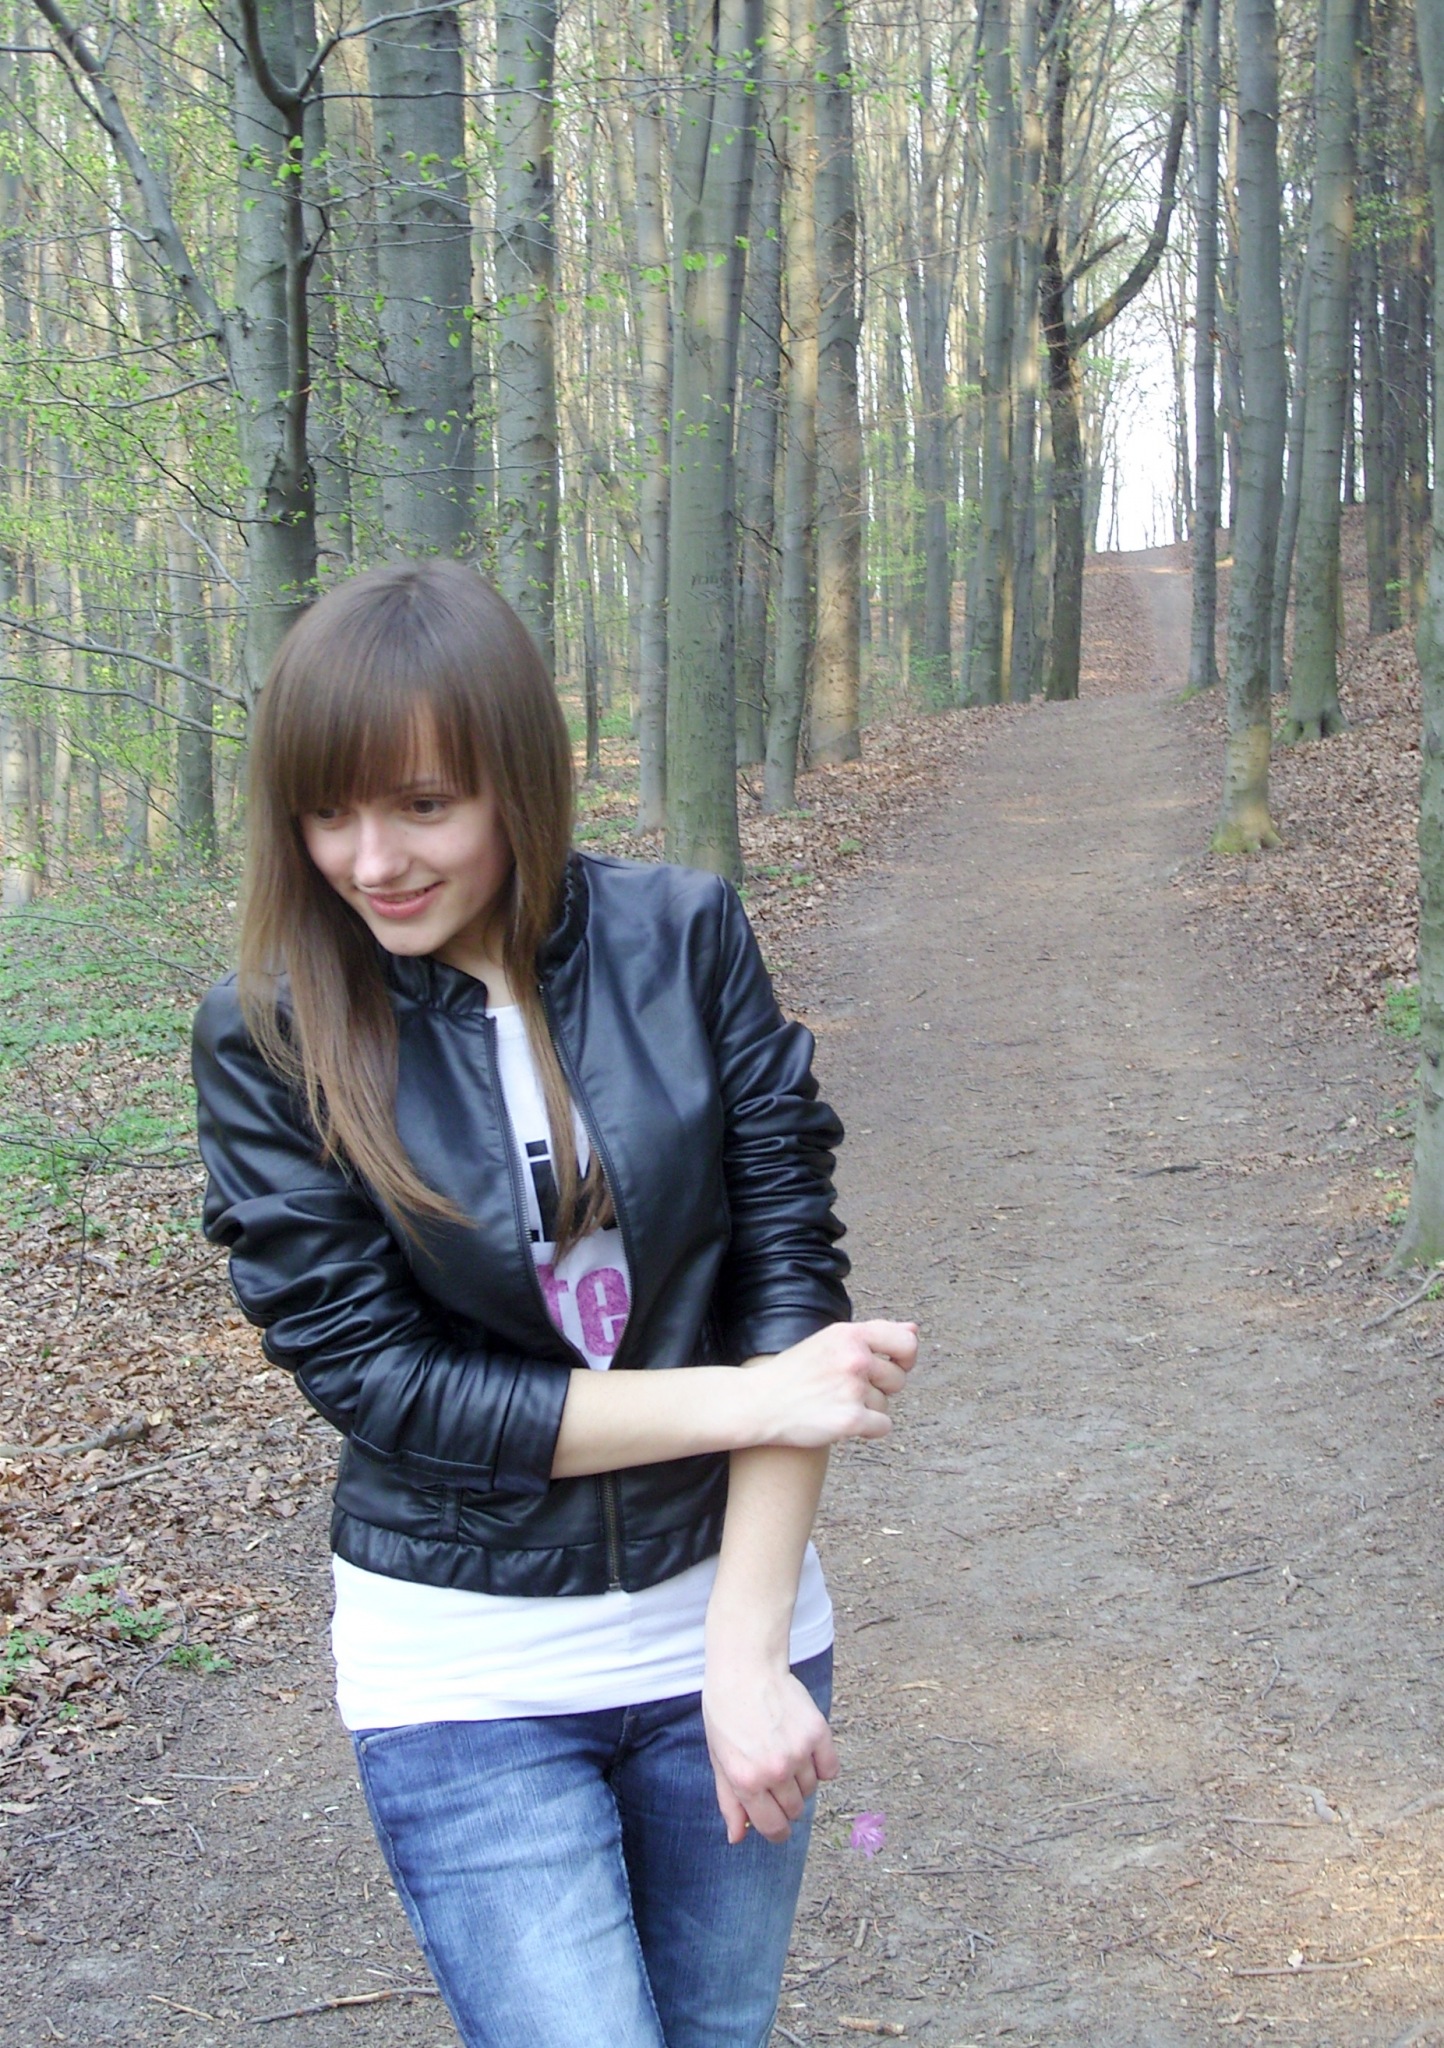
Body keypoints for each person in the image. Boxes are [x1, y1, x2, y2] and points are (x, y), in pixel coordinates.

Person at [191, 561, 917, 2048]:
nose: (372, 860)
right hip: (467, 1667)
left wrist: (744, 1653)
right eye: (327, 813)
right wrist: (748, 1398)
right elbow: (390, 1385)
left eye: (424, 805)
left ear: (519, 778)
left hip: (731, 1613)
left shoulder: (683, 936)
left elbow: (788, 1277)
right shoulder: (270, 1032)